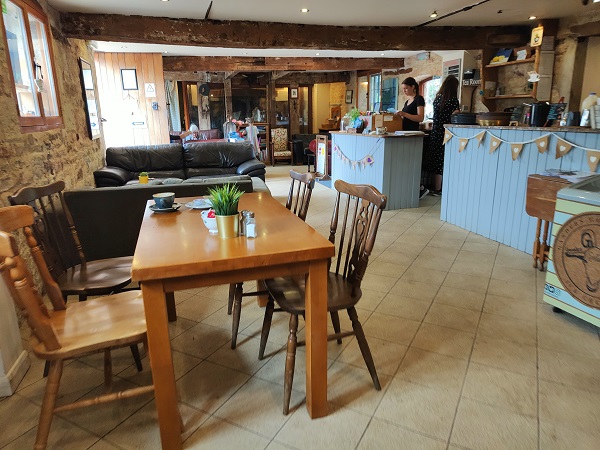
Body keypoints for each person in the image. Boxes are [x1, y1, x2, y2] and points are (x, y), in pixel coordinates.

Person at [395, 77, 427, 198]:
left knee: (413, 162)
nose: (404, 91)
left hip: (413, 134)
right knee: (406, 162)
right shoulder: (407, 101)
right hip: (404, 134)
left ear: (413, 87)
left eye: (406, 88)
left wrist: (404, 114)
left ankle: (420, 187)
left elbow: (420, 118)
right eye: (403, 89)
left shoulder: (419, 99)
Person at [428, 75, 460, 196]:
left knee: (435, 161)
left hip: (436, 131)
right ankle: (439, 189)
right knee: (442, 162)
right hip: (446, 133)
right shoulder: (453, 100)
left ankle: (434, 187)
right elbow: (456, 115)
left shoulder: (437, 98)